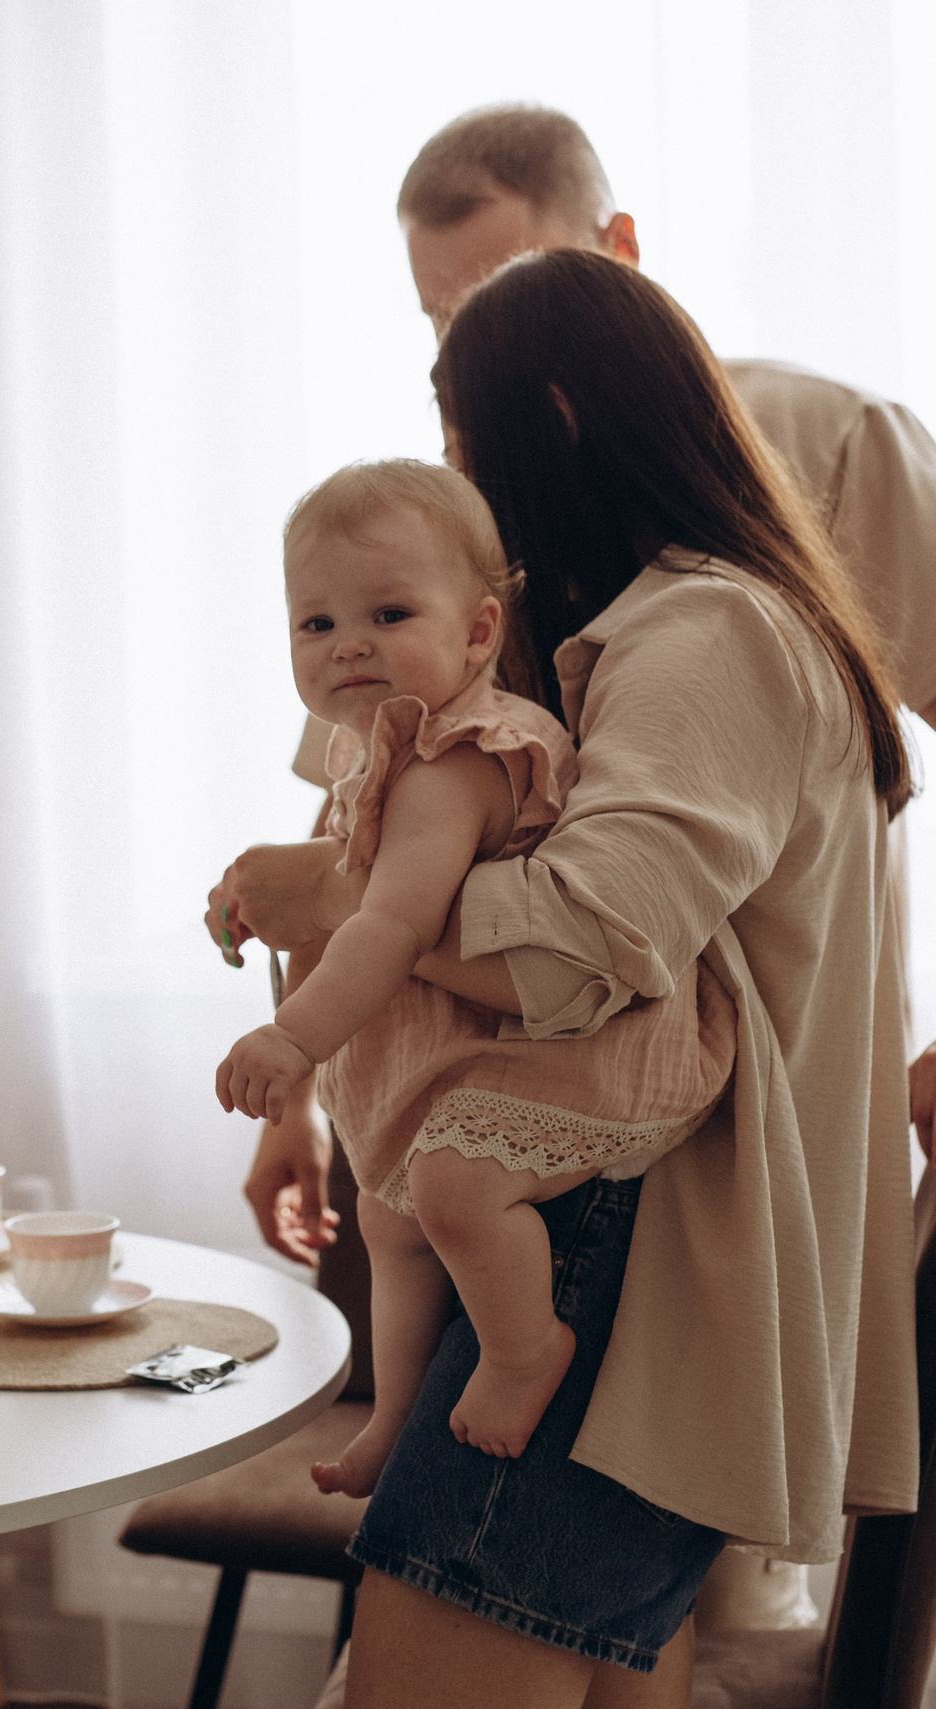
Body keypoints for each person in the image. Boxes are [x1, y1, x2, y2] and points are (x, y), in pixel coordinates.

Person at [220, 247, 921, 1707]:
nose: (457, 475)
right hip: (614, 1230)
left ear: (550, 417)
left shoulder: (708, 630)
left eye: (462, 435)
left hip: (623, 1242)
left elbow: (595, 941)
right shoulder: (651, 636)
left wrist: (341, 897)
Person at [235, 104, 936, 1283]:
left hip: (725, 1086)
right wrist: (296, 1096)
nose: (478, 349)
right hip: (491, 1120)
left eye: (506, 293)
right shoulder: (452, 513)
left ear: (616, 247)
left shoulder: (823, 449)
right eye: (444, 319)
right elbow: (351, 805)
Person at [215, 459, 731, 1481]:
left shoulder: (458, 755)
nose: (347, 642)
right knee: (386, 1211)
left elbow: (389, 923)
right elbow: (323, 914)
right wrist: (296, 1101)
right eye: (313, 624)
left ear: (479, 632)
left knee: (450, 1185)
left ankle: (523, 1346)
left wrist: (291, 1040)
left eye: (388, 612)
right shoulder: (367, 755)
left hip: (571, 1044)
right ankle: (397, 1412)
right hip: (466, 1045)